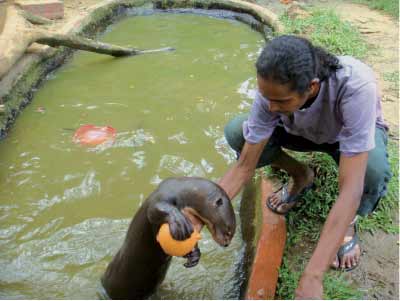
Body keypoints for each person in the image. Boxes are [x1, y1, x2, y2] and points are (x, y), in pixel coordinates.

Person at [218, 35, 392, 298]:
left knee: (372, 171)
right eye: (266, 98)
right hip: (299, 131)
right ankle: (301, 175)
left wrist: (312, 276)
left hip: (343, 138)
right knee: (237, 135)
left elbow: (350, 189)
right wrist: (202, 211)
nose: (270, 106)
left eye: (281, 101)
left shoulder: (356, 86)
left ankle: (348, 224)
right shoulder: (273, 92)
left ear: (311, 87)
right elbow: (244, 167)